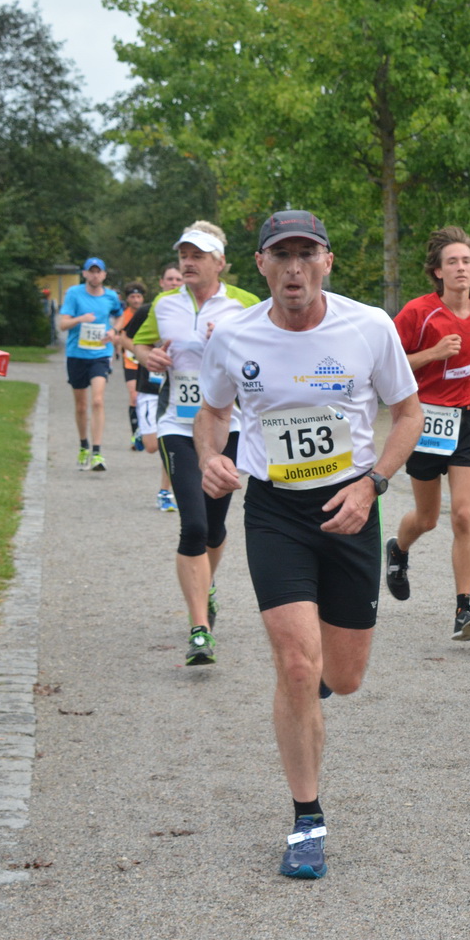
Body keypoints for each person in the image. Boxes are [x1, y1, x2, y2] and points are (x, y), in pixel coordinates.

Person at [195, 210, 422, 877]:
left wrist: (374, 483)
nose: (294, 268)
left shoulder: (369, 327)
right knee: (296, 662)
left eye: (306, 254)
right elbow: (211, 414)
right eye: (280, 255)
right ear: (260, 264)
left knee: (342, 678)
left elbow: (408, 414)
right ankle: (306, 818)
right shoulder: (231, 334)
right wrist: (211, 456)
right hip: (274, 510)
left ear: (327, 262)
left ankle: (315, 690)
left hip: (352, 504)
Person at [135, 222, 260, 665]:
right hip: (178, 426)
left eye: (197, 255)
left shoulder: (245, 303)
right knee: (193, 526)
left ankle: (206, 584)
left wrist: (230, 347)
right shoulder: (165, 303)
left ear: (220, 262)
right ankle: (199, 628)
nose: (187, 262)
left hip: (232, 428)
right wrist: (144, 356)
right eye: (183, 255)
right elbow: (136, 343)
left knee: (216, 527)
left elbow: (270, 351)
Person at [385, 226, 470, 638]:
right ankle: (398, 550)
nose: (462, 268)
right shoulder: (418, 313)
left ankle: (463, 609)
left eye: (468, 261)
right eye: (452, 261)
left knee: (463, 514)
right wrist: (433, 354)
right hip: (425, 421)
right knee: (428, 517)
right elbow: (389, 364)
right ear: (437, 270)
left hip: (467, 422)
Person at [124, 265, 185, 511]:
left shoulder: (192, 313)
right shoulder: (151, 310)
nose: (174, 282)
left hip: (179, 390)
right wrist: (146, 355)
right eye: (169, 279)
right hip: (149, 385)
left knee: (173, 441)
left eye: (178, 279)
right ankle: (142, 431)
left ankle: (165, 491)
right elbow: (126, 338)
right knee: (151, 446)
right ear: (161, 282)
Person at [55, 258, 123, 471]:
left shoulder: (111, 296)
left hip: (100, 354)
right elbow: (63, 324)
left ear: (104, 275)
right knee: (81, 405)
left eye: (99, 272)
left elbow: (120, 318)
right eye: (91, 272)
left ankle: (97, 452)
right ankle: (83, 444)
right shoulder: (74, 294)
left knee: (98, 400)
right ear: (84, 274)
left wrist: (114, 331)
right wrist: (80, 319)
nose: (95, 275)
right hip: (77, 354)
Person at [114, 283, 147, 449]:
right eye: (132, 297)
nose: (136, 300)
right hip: (131, 362)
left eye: (138, 296)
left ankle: (148, 430)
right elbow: (118, 335)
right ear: (127, 299)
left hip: (148, 362)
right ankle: (136, 435)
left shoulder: (149, 314)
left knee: (146, 397)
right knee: (134, 396)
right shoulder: (124, 316)